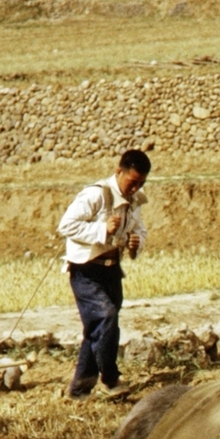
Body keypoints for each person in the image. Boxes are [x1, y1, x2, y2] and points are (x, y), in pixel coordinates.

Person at [57, 149, 149, 398]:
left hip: (112, 271)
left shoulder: (135, 201)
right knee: (106, 317)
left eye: (141, 183)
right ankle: (110, 377)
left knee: (97, 328)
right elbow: (66, 225)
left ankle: (79, 390)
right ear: (119, 172)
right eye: (132, 182)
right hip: (86, 271)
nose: (135, 188)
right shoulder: (95, 194)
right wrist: (101, 229)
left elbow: (140, 230)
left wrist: (135, 243)